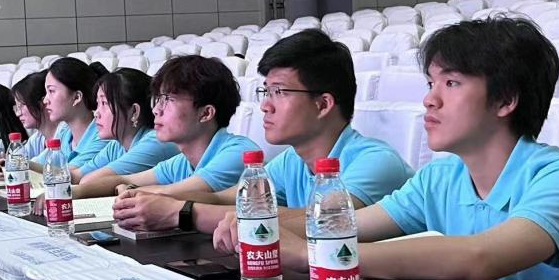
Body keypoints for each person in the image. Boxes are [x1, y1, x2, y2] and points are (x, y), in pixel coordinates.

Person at [215, 18, 559, 280]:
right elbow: (346, 224)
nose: (430, 99)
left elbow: (480, 257)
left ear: (505, 100)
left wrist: (312, 254)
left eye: (451, 83)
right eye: (431, 83)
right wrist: (259, 223)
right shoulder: (440, 177)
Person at [120, 31, 413, 232]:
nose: (265, 106)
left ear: (323, 104)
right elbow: (230, 199)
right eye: (265, 91)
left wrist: (180, 212)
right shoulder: (291, 161)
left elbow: (324, 219)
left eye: (279, 92)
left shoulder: (375, 161)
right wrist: (152, 199)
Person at [104, 55, 259, 226]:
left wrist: (131, 191)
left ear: (206, 113)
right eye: (158, 100)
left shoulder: (240, 152)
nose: (156, 110)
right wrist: (129, 188)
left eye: (168, 100)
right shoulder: (183, 161)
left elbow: (172, 194)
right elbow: (125, 180)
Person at [71, 68, 179, 199]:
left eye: (104, 103)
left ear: (134, 112)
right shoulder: (117, 145)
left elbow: (88, 181)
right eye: (98, 104)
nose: (96, 113)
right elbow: (77, 175)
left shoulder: (156, 141)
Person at [37, 58, 109, 176]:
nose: (45, 100)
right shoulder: (64, 133)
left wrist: (17, 164)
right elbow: (39, 163)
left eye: (51, 91)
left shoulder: (103, 135)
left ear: (77, 97)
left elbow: (67, 173)